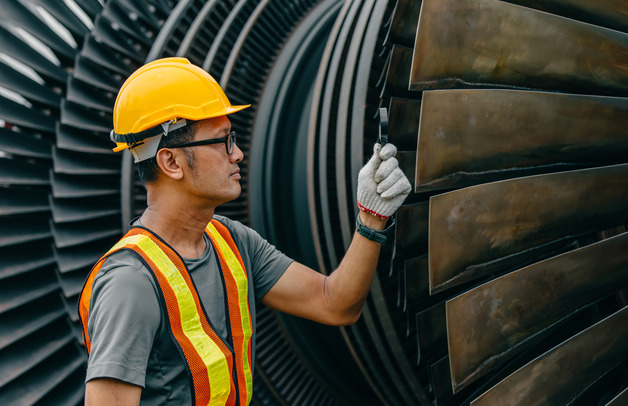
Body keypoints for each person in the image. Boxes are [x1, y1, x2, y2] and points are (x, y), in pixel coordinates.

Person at [77, 58, 411, 405]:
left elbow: (335, 303)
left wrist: (371, 217)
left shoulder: (232, 242)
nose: (237, 153)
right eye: (222, 141)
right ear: (171, 162)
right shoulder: (131, 283)